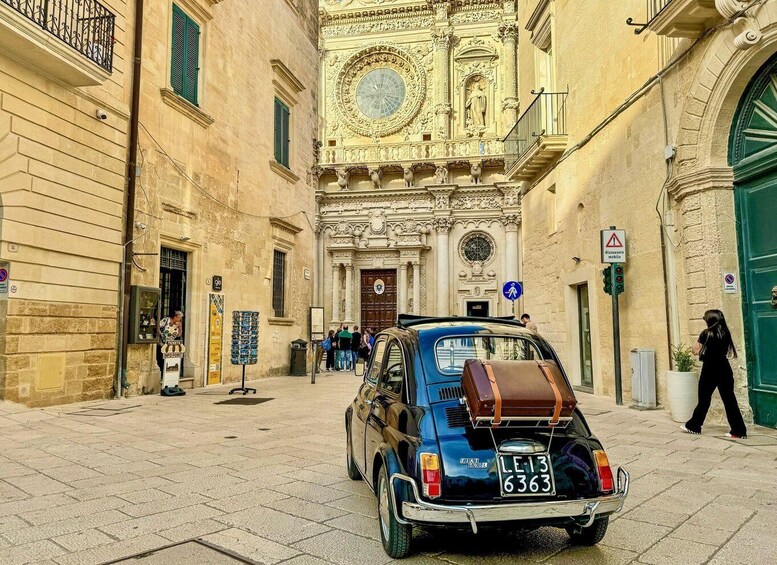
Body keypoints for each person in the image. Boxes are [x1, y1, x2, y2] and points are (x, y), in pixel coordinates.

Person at [682, 309, 747, 439]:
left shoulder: (705, 333)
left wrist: (693, 348)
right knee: (730, 400)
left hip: (709, 370)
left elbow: (695, 351)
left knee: (704, 399)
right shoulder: (726, 333)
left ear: (709, 320)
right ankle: (739, 430)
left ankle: (694, 426)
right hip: (724, 369)